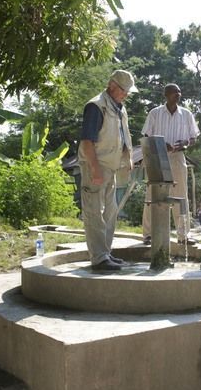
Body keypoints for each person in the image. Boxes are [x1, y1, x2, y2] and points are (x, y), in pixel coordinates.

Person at [78, 70, 137, 271]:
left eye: (128, 91)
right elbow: (87, 142)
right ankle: (99, 257)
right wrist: (95, 169)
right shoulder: (96, 106)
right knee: (95, 212)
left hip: (111, 167)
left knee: (111, 213)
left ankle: (106, 253)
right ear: (112, 85)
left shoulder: (120, 108)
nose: (126, 94)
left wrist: (127, 157)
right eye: (124, 90)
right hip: (95, 165)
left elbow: (124, 135)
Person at [141, 83, 200, 244]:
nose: (178, 94)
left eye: (179, 92)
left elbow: (194, 137)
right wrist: (161, 144)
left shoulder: (186, 114)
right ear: (166, 95)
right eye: (175, 92)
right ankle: (148, 235)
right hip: (157, 156)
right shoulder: (155, 113)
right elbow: (146, 136)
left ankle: (183, 236)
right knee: (152, 194)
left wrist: (186, 143)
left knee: (181, 195)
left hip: (178, 157)